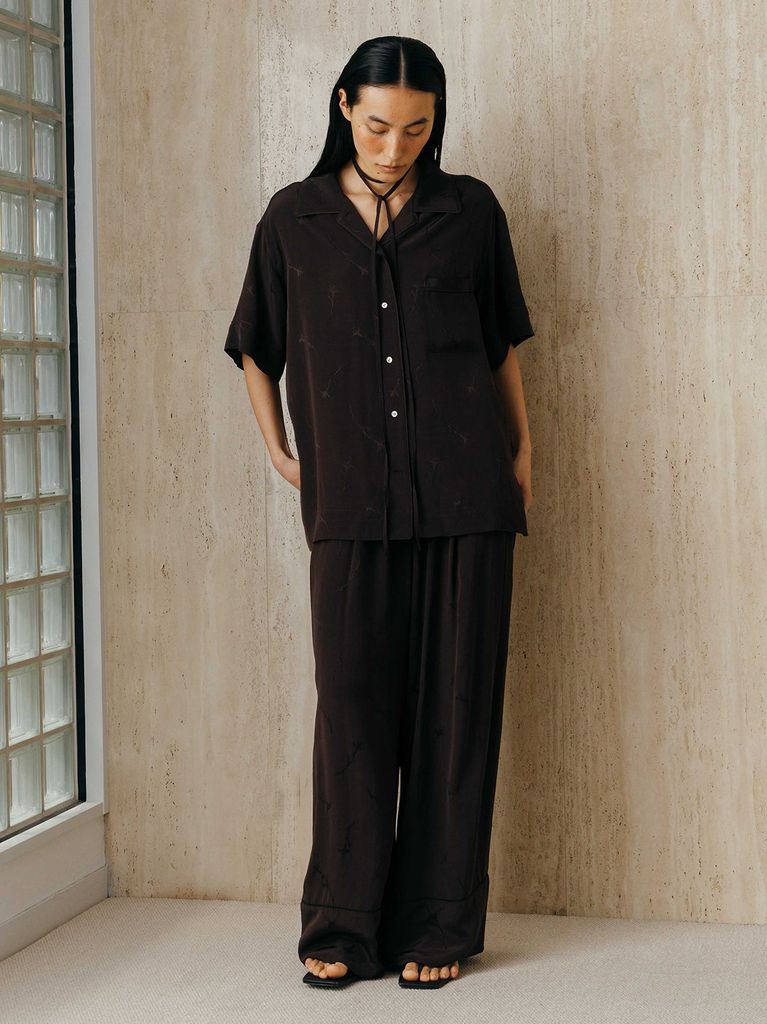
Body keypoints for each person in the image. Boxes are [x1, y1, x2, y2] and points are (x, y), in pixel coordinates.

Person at [224, 35, 535, 990]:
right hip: (351, 499)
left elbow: (500, 344)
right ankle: (343, 922)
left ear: (436, 123)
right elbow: (256, 346)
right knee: (353, 711)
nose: (395, 147)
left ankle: (438, 924)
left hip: (467, 494)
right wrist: (278, 447)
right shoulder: (295, 218)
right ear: (343, 108)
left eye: (416, 129)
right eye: (376, 126)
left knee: (457, 717)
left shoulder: (469, 212)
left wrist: (523, 452)